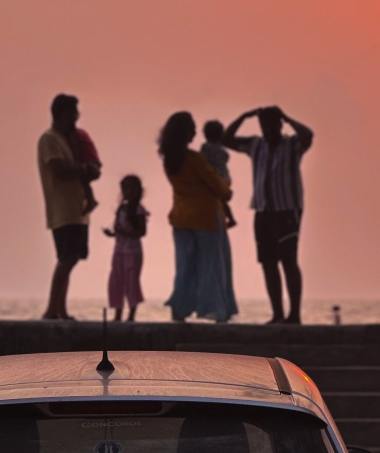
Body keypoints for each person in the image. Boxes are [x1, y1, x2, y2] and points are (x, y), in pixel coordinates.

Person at [223, 105, 313, 324]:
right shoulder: (256, 145)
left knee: (289, 261)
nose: (269, 129)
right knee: (268, 263)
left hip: (287, 209)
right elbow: (226, 139)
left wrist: (287, 116)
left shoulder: (292, 145)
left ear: (280, 125)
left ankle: (294, 314)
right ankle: (277, 314)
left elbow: (308, 135)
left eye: (273, 125)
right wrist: (244, 116)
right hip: (263, 210)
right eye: (265, 125)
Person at [158, 111, 238, 323]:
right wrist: (227, 189)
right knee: (213, 265)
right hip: (206, 217)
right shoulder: (195, 160)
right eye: (192, 129)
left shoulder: (169, 161)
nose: (195, 132)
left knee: (185, 266)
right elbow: (217, 185)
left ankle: (180, 309)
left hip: (181, 217)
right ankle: (217, 310)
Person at [37, 93, 102, 320]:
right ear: (62, 114)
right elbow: (59, 169)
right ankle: (51, 309)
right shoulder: (49, 139)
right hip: (63, 210)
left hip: (77, 209)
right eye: (73, 113)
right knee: (67, 258)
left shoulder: (69, 140)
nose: (76, 118)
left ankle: (60, 310)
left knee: (71, 258)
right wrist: (84, 169)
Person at [103, 175, 148, 322]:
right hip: (119, 251)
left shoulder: (139, 210)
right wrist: (112, 233)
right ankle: (118, 314)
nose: (129, 192)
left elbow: (142, 232)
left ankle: (131, 315)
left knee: (131, 282)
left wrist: (125, 233)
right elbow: (118, 230)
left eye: (132, 189)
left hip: (133, 252)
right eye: (126, 189)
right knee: (116, 282)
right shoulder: (121, 209)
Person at [200, 120, 237, 228]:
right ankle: (230, 218)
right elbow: (226, 158)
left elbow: (201, 160)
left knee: (218, 201)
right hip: (225, 178)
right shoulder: (222, 150)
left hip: (215, 177)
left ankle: (228, 219)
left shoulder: (206, 147)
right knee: (222, 201)